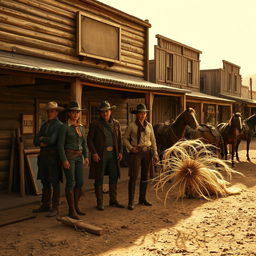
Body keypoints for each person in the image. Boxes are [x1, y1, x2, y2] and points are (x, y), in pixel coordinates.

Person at [87, 100, 124, 211]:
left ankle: (113, 200)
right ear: (100, 113)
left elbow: (119, 140)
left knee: (114, 176)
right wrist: (93, 153)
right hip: (100, 154)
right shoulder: (95, 124)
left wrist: (120, 152)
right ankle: (100, 202)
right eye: (103, 112)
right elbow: (89, 140)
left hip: (113, 154)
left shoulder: (116, 123)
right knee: (99, 177)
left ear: (110, 111)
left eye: (107, 111)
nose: (105, 113)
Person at [123, 103, 159, 210]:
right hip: (136, 152)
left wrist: (155, 153)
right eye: (140, 113)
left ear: (146, 114)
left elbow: (153, 140)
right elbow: (124, 139)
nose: (142, 115)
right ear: (137, 114)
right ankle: (130, 202)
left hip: (147, 152)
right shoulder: (132, 125)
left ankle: (142, 199)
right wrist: (130, 148)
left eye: (144, 113)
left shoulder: (149, 126)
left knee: (145, 177)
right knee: (133, 177)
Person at [58, 101, 89, 220]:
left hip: (79, 157)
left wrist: (86, 156)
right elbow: (60, 145)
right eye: (73, 112)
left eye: (77, 112)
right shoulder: (64, 127)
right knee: (71, 182)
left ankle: (76, 207)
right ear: (69, 113)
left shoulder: (81, 127)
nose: (75, 114)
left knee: (80, 182)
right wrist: (64, 160)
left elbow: (84, 143)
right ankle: (71, 210)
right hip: (69, 156)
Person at [33, 101, 64, 217]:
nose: (49, 113)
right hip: (44, 156)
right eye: (48, 111)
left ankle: (55, 207)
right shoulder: (44, 125)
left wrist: (42, 139)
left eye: (52, 111)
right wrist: (42, 139)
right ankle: (45, 205)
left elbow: (52, 140)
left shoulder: (59, 125)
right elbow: (35, 140)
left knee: (54, 182)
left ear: (56, 112)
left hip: (53, 157)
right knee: (44, 181)